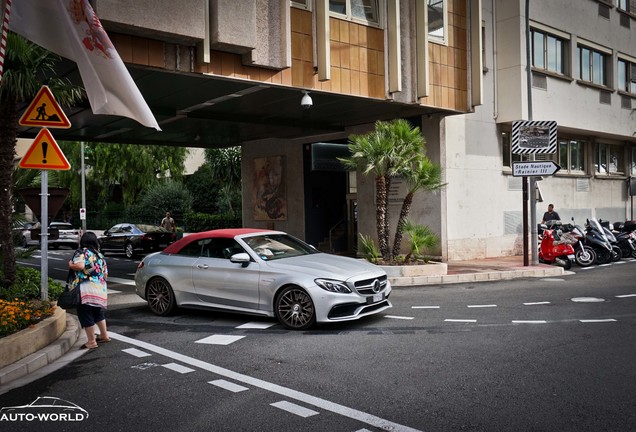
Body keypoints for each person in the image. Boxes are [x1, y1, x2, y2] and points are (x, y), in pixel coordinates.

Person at [68, 232, 109, 350]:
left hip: (86, 288)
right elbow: (105, 273)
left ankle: (91, 341)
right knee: (97, 311)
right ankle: (104, 335)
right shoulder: (99, 255)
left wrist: (71, 265)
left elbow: (80, 266)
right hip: (100, 288)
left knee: (85, 312)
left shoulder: (82, 252)